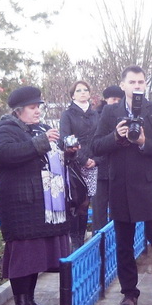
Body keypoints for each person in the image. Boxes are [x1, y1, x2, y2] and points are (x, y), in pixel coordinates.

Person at [92, 65, 152, 305]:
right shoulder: (110, 112)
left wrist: (143, 142)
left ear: (145, 85)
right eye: (132, 82)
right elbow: (96, 146)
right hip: (121, 186)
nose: (137, 86)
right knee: (124, 244)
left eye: (141, 82)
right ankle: (129, 293)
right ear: (123, 85)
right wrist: (115, 137)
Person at [0, 86, 68, 305]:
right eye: (32, 108)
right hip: (18, 205)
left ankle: (30, 302)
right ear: (18, 111)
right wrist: (40, 143)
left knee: (34, 256)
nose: (37, 112)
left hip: (36, 203)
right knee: (23, 257)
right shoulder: (6, 129)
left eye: (38, 107)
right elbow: (5, 154)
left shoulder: (37, 129)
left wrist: (67, 151)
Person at [59, 80, 98, 249]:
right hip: (75, 165)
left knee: (86, 203)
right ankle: (75, 243)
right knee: (76, 203)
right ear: (73, 95)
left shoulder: (96, 114)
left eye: (85, 90)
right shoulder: (67, 115)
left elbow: (101, 137)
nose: (83, 93)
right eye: (79, 90)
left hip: (93, 165)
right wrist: (82, 159)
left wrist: (95, 160)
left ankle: (81, 241)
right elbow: (65, 139)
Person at [92, 84, 123, 227]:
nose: (116, 102)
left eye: (119, 100)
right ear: (106, 99)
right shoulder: (96, 116)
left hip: (116, 170)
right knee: (99, 211)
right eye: (113, 99)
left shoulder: (123, 116)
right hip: (99, 169)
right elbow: (93, 142)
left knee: (118, 210)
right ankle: (98, 237)